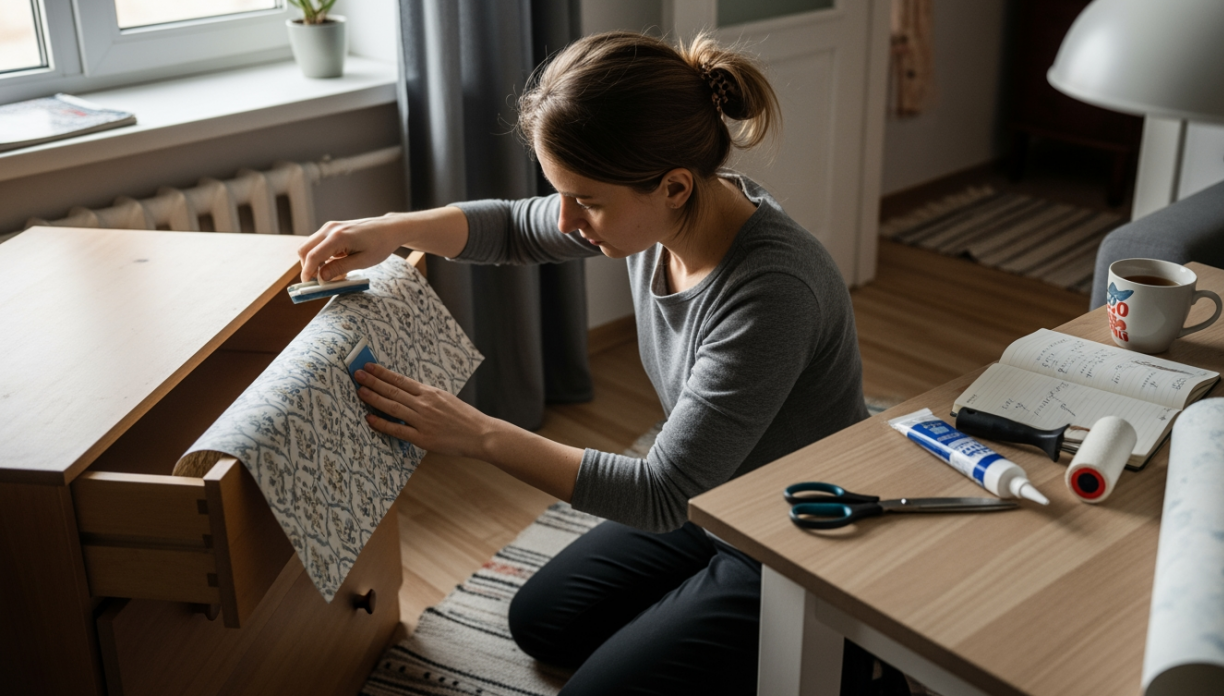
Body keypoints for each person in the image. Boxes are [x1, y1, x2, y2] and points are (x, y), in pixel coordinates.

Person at [298, 30, 904, 696]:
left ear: (674, 186)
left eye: (585, 200)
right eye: (561, 193)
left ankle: (855, 659)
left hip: (793, 530)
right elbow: (514, 227)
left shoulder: (771, 293)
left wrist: (479, 435)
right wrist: (390, 228)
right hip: (712, 497)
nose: (566, 219)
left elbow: (658, 494)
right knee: (542, 622)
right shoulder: (671, 212)